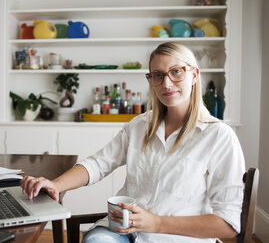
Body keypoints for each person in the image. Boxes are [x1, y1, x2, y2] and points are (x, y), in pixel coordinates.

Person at [20, 42, 245, 243]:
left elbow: (228, 224)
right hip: (121, 231)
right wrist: (56, 185)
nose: (166, 83)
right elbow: (98, 164)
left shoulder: (219, 136)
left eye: (176, 72)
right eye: (157, 75)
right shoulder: (139, 126)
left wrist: (155, 223)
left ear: (194, 75)